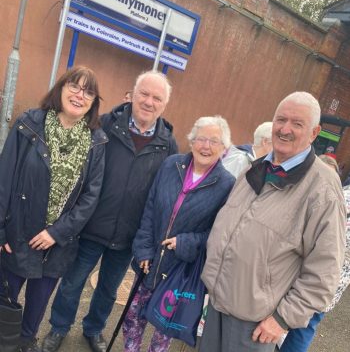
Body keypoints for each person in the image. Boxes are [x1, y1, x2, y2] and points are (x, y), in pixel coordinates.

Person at [42, 70, 178, 352]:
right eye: (144, 94)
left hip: (128, 235)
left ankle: (93, 329)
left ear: (164, 105)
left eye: (157, 98)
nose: (149, 102)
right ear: (132, 94)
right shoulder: (104, 125)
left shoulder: (168, 144)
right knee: (72, 283)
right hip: (90, 227)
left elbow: (166, 194)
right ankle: (58, 327)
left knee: (107, 289)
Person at [200, 91, 346, 352]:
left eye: (297, 124)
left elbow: (325, 270)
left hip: (256, 325)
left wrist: (283, 319)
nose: (285, 129)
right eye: (281, 120)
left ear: (314, 133)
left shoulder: (322, 189)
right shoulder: (255, 168)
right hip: (218, 304)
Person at [0, 66, 107, 352]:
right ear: (60, 88)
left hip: (57, 245)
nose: (79, 95)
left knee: (37, 308)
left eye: (88, 91)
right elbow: (4, 179)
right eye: (74, 86)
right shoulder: (28, 125)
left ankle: (25, 343)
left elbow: (90, 198)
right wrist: (1, 232)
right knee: (4, 302)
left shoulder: (96, 143)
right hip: (18, 234)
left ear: (93, 102)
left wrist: (56, 233)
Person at [122, 115, 235, 352]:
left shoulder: (227, 184)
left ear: (224, 148)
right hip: (149, 259)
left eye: (214, 141)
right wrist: (143, 249)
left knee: (164, 328)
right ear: (192, 141)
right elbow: (150, 207)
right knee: (133, 316)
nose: (206, 146)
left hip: (180, 268)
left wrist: (185, 242)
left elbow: (218, 233)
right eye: (201, 139)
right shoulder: (171, 165)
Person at [278, 154, 350, 352]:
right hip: (336, 281)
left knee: (289, 318)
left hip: (312, 273)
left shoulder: (337, 196)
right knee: (306, 326)